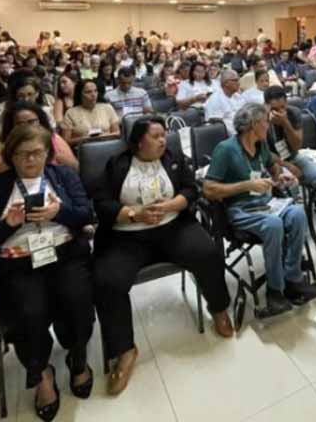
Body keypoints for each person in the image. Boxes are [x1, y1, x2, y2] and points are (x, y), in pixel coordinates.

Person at [93, 118, 233, 395]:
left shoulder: (173, 158)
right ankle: (124, 350)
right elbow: (102, 204)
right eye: (156, 136)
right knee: (107, 280)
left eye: (164, 135)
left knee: (207, 252)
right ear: (138, 141)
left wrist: (172, 205)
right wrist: (135, 213)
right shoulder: (117, 164)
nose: (163, 140)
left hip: (173, 227)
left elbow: (191, 189)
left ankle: (218, 308)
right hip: (127, 235)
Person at [0, 124, 95, 420]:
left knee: (77, 298)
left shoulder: (62, 176)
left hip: (63, 254)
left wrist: (59, 212)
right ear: (11, 156)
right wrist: (8, 225)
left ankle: (78, 359)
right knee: (28, 313)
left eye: (38, 153)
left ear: (48, 154)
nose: (31, 160)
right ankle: (41, 374)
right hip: (18, 264)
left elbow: (86, 214)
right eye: (23, 154)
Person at [203, 103, 316, 317]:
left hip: (266, 204)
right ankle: (275, 292)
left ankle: (292, 279)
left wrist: (281, 176)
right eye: (265, 122)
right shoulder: (226, 149)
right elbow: (209, 189)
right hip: (240, 209)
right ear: (253, 124)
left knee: (297, 213)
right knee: (274, 225)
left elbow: (273, 169)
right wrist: (246, 186)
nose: (269, 125)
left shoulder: (261, 145)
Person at [0, 102, 79, 179]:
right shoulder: (1, 145)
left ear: (41, 121)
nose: (27, 126)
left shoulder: (54, 139)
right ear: (11, 125)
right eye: (20, 123)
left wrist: (51, 155)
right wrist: (14, 158)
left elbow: (75, 167)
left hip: (52, 183)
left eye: (32, 122)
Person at [263, 86, 316, 185]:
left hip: (292, 156)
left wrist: (286, 123)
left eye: (282, 107)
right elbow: (264, 152)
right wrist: (287, 165)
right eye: (274, 109)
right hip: (271, 162)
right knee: (290, 182)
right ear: (266, 106)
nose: (279, 112)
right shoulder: (260, 118)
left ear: (286, 102)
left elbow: (296, 146)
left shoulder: (293, 113)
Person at [61, 80, 121, 145]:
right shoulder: (70, 113)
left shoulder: (107, 108)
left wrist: (103, 136)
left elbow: (117, 133)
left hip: (107, 145)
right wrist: (85, 139)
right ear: (80, 94)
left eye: (95, 91)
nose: (93, 95)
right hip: (82, 149)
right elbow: (66, 141)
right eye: (88, 92)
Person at [204, 68, 245, 135]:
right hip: (226, 137)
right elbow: (216, 127)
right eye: (236, 80)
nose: (239, 83)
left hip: (241, 131)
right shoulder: (215, 99)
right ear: (226, 83)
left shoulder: (237, 96)